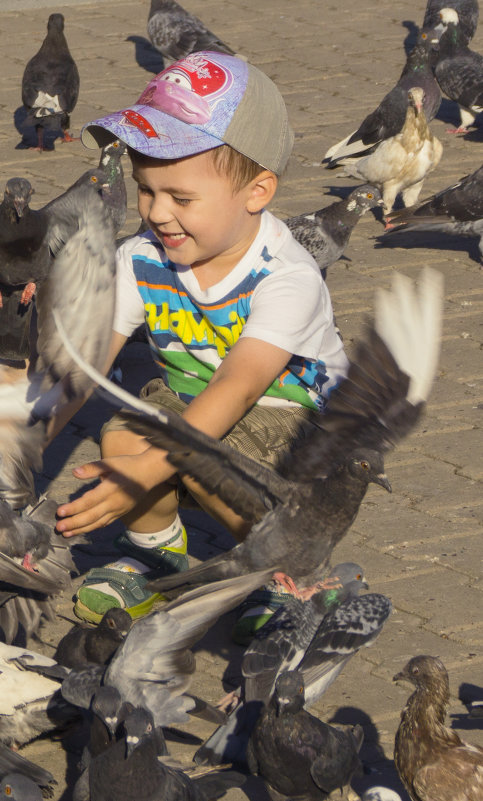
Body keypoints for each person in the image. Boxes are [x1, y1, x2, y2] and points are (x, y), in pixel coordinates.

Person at [55, 51, 349, 636]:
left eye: (181, 198)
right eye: (146, 190)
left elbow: (239, 389)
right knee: (119, 436)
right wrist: (19, 435)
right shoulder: (142, 259)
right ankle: (157, 557)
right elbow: (82, 361)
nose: (157, 213)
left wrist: (152, 468)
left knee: (204, 464)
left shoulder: (288, 276)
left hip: (298, 428)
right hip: (197, 407)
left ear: (257, 192)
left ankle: (295, 574)